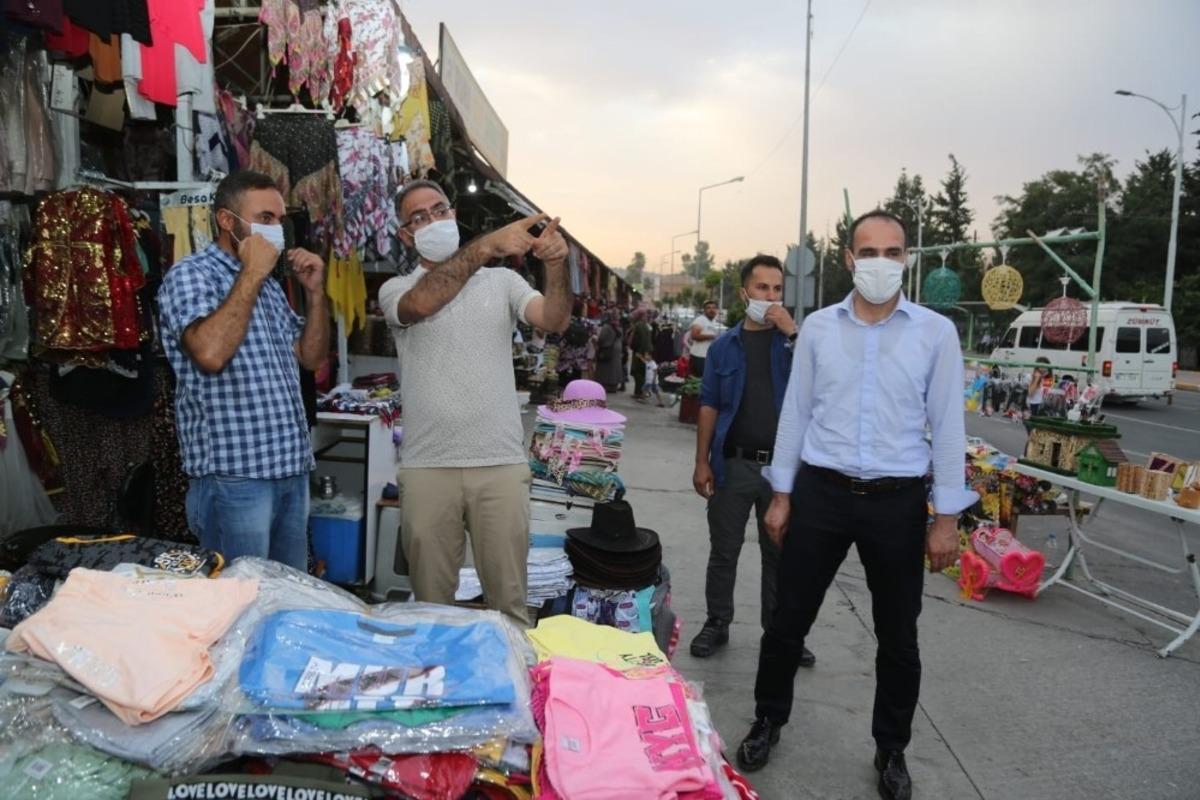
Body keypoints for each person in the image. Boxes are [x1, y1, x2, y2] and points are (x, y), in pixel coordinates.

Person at [735, 211, 978, 800]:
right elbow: (797, 414)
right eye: (868, 251)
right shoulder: (818, 328)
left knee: (899, 636)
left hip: (897, 503)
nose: (880, 263)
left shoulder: (934, 333)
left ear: (907, 259)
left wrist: (946, 517)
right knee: (788, 620)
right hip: (821, 494)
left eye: (893, 252)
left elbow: (947, 426)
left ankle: (891, 749)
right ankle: (768, 718)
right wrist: (782, 494)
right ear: (849, 259)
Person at [379, 179, 572, 626]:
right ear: (406, 235)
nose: (433, 220)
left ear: (453, 214)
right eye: (419, 216)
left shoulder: (503, 281)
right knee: (431, 611)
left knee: (509, 608)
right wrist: (487, 246)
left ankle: (514, 691)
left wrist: (556, 264)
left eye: (439, 209)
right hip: (428, 469)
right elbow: (424, 303)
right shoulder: (396, 290)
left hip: (499, 465)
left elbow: (554, 318)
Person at [158, 170, 329, 570]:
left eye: (280, 219)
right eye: (265, 218)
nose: (277, 229)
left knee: (284, 598)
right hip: (234, 476)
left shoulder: (268, 285)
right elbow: (210, 353)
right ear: (227, 221)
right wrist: (251, 273)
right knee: (237, 602)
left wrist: (316, 294)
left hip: (290, 466)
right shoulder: (191, 275)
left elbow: (311, 358)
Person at [690, 256, 813, 665]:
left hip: (781, 471)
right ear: (745, 293)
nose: (771, 297)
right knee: (724, 551)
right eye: (762, 288)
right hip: (733, 465)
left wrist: (793, 332)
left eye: (777, 289)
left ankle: (780, 633)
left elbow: (821, 382)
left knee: (780, 554)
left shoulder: (795, 344)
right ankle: (717, 622)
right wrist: (702, 461)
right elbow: (708, 405)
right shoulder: (725, 346)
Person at [688, 300, 721, 378]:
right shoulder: (700, 320)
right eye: (708, 308)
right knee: (699, 381)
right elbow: (694, 336)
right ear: (704, 310)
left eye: (714, 308)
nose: (711, 310)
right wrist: (712, 336)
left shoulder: (712, 322)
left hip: (706, 357)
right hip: (699, 357)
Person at [594, 310, 624, 392]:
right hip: (617, 350)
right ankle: (614, 386)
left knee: (605, 368)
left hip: (607, 349)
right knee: (615, 368)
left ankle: (605, 385)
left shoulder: (606, 327)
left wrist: (597, 342)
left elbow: (601, 338)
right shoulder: (619, 327)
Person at [630, 307, 653, 398]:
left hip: (640, 352)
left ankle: (640, 392)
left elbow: (635, 341)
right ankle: (639, 392)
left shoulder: (638, 325)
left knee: (637, 372)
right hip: (646, 352)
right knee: (642, 372)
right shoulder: (646, 325)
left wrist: (634, 348)